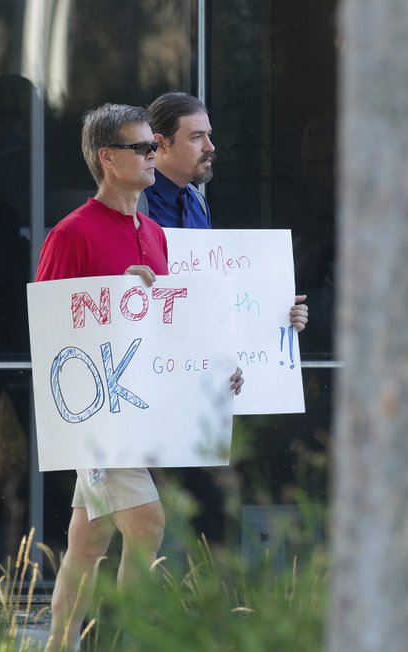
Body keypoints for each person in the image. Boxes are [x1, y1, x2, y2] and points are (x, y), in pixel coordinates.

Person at [35, 103, 244, 652]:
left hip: (139, 415)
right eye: (143, 148)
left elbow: (168, 331)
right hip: (98, 420)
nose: (154, 157)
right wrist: (112, 300)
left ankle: (58, 645)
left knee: (88, 540)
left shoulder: (153, 232)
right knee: (148, 522)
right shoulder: (72, 234)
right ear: (108, 158)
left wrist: (211, 373)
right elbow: (53, 332)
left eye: (155, 146)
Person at [141, 92, 309, 542]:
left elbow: (213, 288)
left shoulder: (196, 203)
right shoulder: (133, 206)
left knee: (214, 510)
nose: (211, 146)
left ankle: (216, 610)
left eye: (209, 135)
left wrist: (277, 313)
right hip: (148, 382)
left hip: (200, 385)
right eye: (197, 137)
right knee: (139, 520)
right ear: (159, 144)